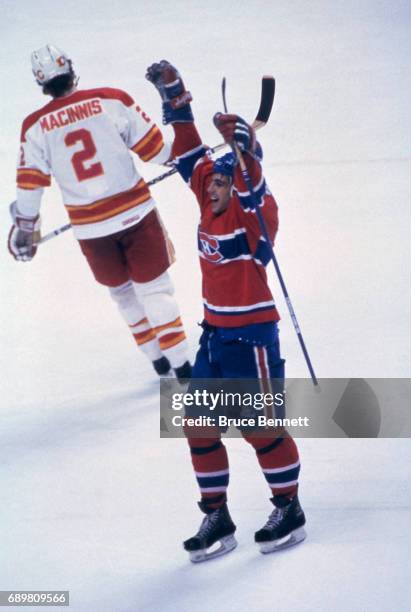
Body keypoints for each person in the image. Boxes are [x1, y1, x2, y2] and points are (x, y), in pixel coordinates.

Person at [146, 60, 306, 561]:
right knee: (198, 423)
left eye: (221, 183)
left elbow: (257, 186)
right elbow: (190, 153)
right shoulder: (207, 198)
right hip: (215, 335)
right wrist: (176, 100)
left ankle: (289, 507)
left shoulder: (255, 216)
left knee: (259, 427)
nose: (211, 188)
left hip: (253, 337)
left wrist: (246, 151)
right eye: (210, 184)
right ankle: (217, 515)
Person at [8, 45, 191, 381]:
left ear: (42, 83)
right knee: (155, 291)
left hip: (91, 232)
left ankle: (158, 362)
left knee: (123, 295)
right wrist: (188, 151)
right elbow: (156, 152)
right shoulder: (111, 99)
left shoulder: (34, 127)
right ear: (70, 68)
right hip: (137, 215)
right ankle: (184, 367)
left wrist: (25, 226)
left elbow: (30, 186)